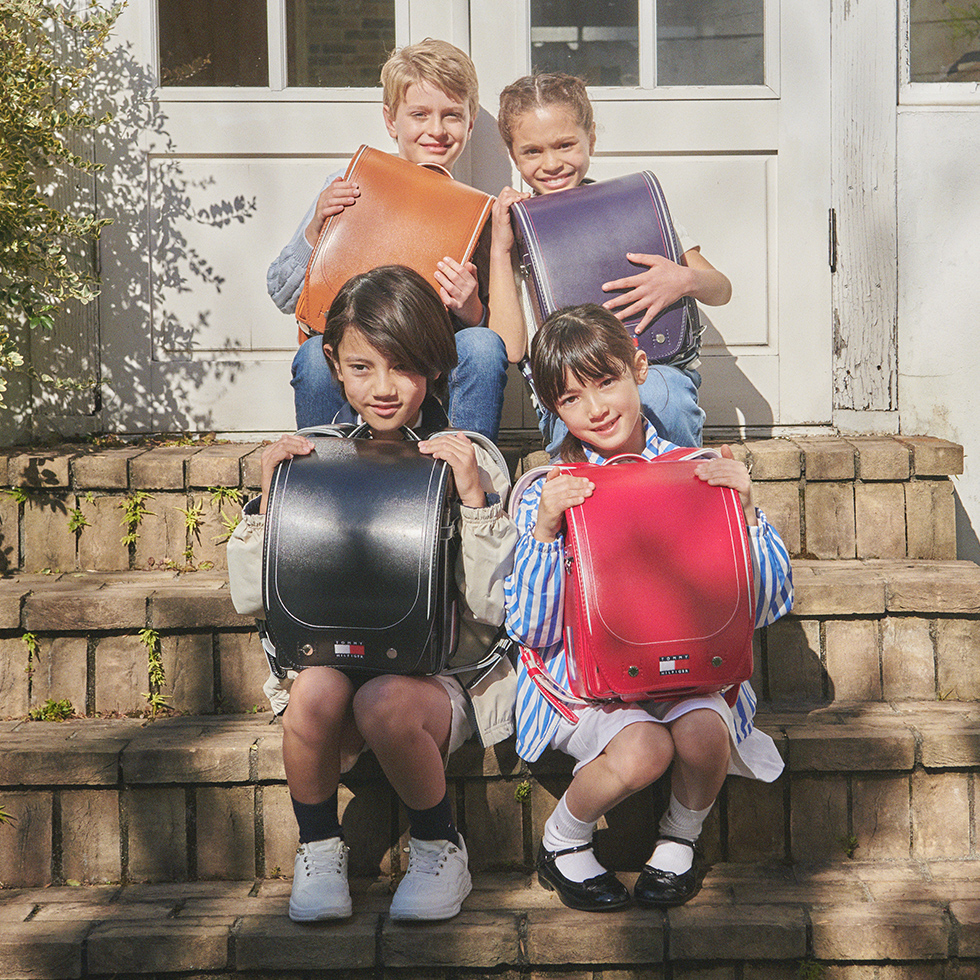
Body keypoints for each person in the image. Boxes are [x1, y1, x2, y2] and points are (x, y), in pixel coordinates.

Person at [228, 265, 518, 922]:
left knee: (386, 699)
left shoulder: (467, 457)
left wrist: (473, 501)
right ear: (332, 365)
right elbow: (255, 599)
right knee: (315, 690)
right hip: (335, 659)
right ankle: (319, 846)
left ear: (436, 369)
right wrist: (271, 503)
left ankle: (440, 844)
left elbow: (493, 605)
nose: (383, 388)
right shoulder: (315, 456)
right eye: (361, 368)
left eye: (404, 367)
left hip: (436, 681)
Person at [504, 304, 792, 911]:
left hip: (690, 663)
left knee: (702, 729)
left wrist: (745, 516)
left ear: (639, 368)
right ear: (554, 411)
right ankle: (561, 842)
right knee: (644, 749)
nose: (596, 408)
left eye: (606, 380)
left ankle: (680, 839)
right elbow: (529, 627)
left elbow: (766, 606)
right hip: (589, 679)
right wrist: (548, 535)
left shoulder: (698, 472)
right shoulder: (550, 490)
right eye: (571, 398)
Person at [268, 39, 524, 440]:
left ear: (470, 123)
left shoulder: (478, 213)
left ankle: (471, 480)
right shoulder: (350, 185)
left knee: (479, 346)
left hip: (432, 376)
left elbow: (498, 341)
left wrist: (471, 307)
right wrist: (316, 229)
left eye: (452, 116)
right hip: (361, 365)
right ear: (391, 121)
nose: (436, 130)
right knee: (312, 359)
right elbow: (284, 297)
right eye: (419, 114)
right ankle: (322, 479)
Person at [488, 72, 732, 454]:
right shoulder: (516, 229)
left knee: (658, 395)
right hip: (569, 398)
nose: (551, 163)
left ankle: (685, 497)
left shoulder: (630, 208)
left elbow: (721, 289)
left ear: (591, 140)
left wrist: (684, 280)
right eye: (532, 151)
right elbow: (511, 349)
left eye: (565, 144)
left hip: (652, 372)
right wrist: (501, 250)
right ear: (513, 154)